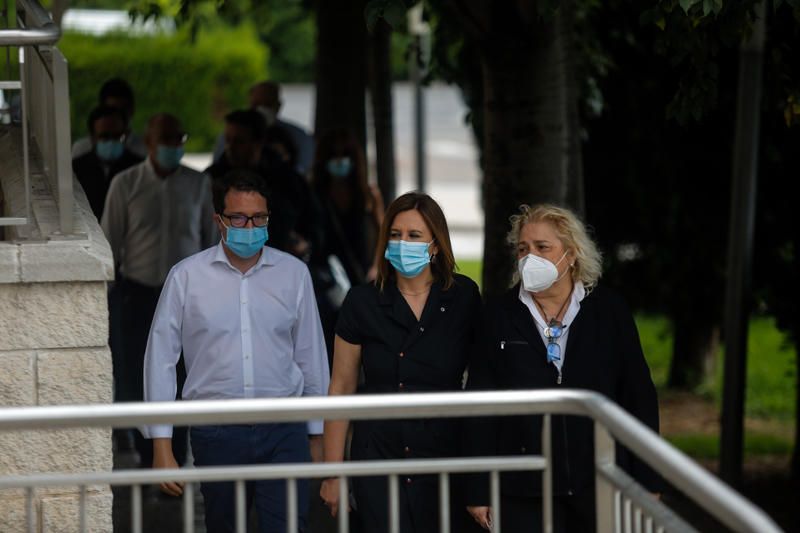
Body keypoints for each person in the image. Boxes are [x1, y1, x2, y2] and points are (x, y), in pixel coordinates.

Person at [142, 170, 330, 533]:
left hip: (284, 430)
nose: (249, 226)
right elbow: (161, 359)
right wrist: (161, 445)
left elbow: (311, 356)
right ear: (219, 220)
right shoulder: (186, 277)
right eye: (239, 218)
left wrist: (317, 434)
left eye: (259, 218)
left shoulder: (293, 274)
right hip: (217, 431)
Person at [464, 204, 662, 533]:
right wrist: (477, 487)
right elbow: (481, 405)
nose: (530, 257)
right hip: (522, 489)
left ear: (571, 255)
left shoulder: (609, 313)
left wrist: (649, 479)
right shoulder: (498, 315)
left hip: (599, 483)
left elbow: (638, 397)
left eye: (543, 247)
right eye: (523, 248)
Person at [319, 191, 482, 532]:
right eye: (395, 235)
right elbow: (341, 387)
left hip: (445, 456)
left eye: (414, 236)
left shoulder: (463, 297)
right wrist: (332, 474)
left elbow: (483, 378)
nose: (402, 243)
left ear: (435, 245)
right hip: (379, 456)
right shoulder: (362, 301)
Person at [101, 113, 217, 466]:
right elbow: (110, 242)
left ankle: (177, 452)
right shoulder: (126, 183)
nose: (172, 147)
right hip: (139, 294)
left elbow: (210, 240)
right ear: (149, 142)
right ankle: (147, 450)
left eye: (178, 140)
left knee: (184, 374)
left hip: (187, 297)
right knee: (139, 373)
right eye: (165, 140)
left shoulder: (199, 185)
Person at [206, 109, 322, 260]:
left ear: (258, 142)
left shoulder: (288, 180)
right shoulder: (212, 178)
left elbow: (313, 224)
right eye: (228, 140)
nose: (231, 147)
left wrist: (305, 243)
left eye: (239, 141)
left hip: (278, 263)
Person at [212, 80, 315, 176]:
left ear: (278, 106)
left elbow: (303, 172)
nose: (261, 109)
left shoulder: (299, 137)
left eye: (267, 105)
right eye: (256, 104)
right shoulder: (231, 134)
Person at [73, 105, 143, 220]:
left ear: (126, 135)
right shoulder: (77, 169)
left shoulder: (139, 169)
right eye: (104, 136)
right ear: (93, 137)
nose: (111, 141)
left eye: (117, 136)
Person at [72, 78, 146, 158]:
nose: (118, 117)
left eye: (123, 111)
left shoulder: (145, 149)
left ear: (132, 110)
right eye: (112, 111)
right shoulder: (82, 149)